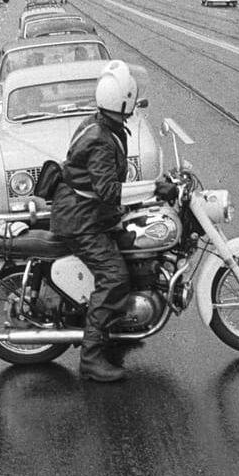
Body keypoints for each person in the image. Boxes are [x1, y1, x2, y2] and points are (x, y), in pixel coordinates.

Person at [49, 61, 173, 383]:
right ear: (124, 99)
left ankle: (119, 324)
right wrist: (153, 187)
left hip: (89, 213)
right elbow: (107, 190)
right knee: (114, 277)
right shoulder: (101, 138)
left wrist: (149, 192)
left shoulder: (104, 125)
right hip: (81, 220)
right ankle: (90, 358)